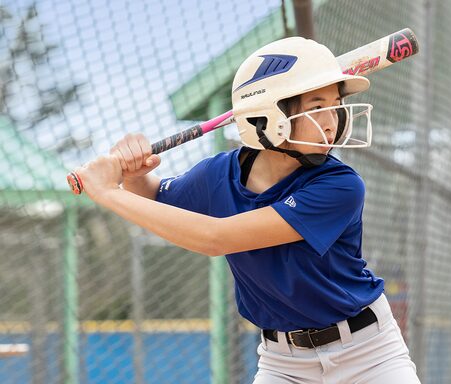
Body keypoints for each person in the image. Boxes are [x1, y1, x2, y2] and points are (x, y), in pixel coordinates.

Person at [71, 37, 420, 383]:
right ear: (268, 116)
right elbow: (154, 200)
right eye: (315, 108)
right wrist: (134, 177)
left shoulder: (340, 185)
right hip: (284, 364)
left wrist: (105, 191)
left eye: (335, 105)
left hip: (368, 355)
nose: (331, 122)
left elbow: (215, 238)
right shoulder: (217, 173)